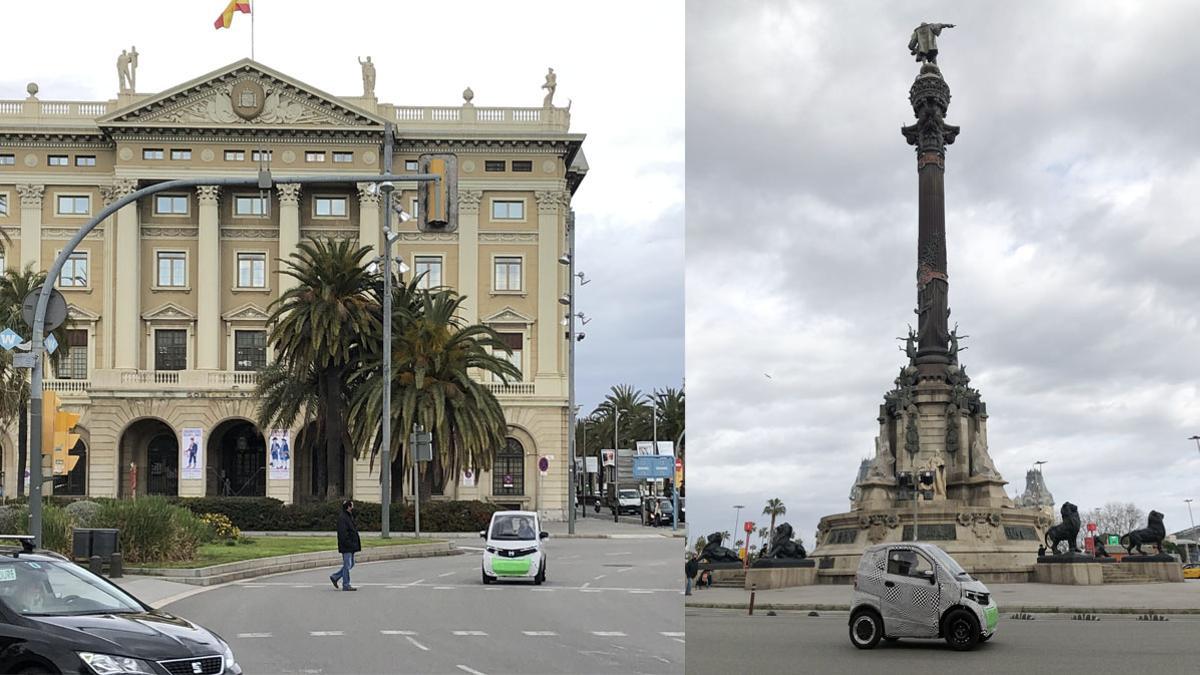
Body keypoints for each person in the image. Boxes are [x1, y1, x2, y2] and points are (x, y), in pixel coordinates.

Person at [330, 500, 361, 591]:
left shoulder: (348, 516)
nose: (353, 507)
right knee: (347, 565)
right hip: (347, 545)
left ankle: (335, 577)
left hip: (350, 545)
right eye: (352, 506)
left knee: (351, 564)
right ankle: (346, 584)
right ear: (348, 507)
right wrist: (349, 543)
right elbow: (343, 534)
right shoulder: (343, 518)